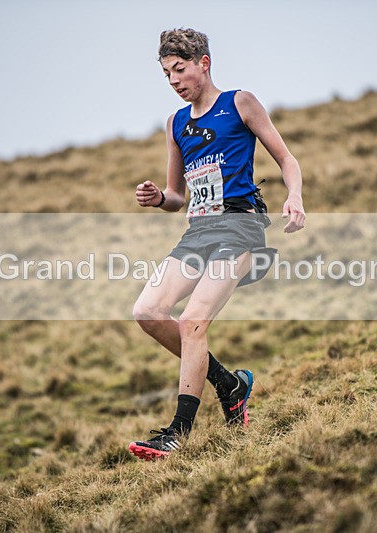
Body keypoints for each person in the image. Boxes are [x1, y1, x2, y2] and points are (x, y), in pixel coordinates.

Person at [129, 28, 305, 460]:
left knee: (192, 322)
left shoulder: (240, 103)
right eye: (167, 73)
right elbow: (177, 197)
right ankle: (229, 384)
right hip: (198, 232)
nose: (173, 80)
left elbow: (286, 158)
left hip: (240, 229)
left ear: (203, 63)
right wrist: (158, 199)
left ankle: (178, 433)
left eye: (180, 69)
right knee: (147, 312)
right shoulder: (175, 123)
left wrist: (295, 197)